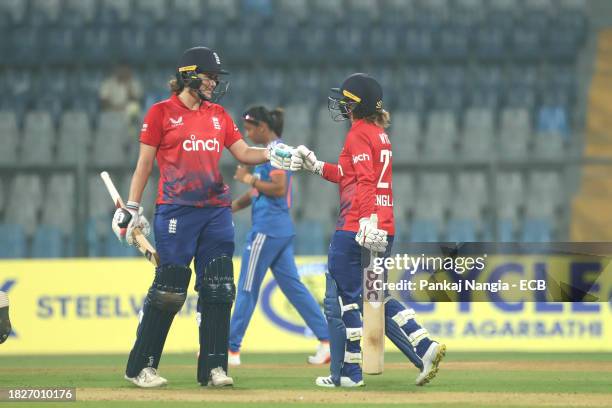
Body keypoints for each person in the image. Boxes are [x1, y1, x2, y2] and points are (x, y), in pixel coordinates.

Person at [110, 46, 290, 388]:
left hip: (216, 211)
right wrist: (132, 208)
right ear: (188, 75)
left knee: (220, 287)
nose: (213, 84)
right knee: (169, 292)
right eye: (209, 77)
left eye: (215, 78)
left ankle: (214, 369)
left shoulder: (219, 114)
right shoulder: (160, 113)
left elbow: (242, 152)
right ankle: (141, 368)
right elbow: (144, 166)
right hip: (176, 210)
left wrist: (274, 153)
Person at [275, 73, 446, 387]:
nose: (340, 104)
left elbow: (365, 180)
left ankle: (350, 374)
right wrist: (314, 165)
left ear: (356, 104)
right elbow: (347, 175)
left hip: (357, 226)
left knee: (345, 298)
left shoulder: (357, 134)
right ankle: (424, 345)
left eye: (345, 99)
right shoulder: (379, 134)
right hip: (384, 225)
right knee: (376, 295)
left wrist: (366, 221)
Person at [229, 106, 330, 366]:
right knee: (293, 288)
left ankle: (230, 349)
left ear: (263, 127)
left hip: (267, 229)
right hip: (280, 229)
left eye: (250, 128)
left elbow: (277, 188)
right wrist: (229, 208)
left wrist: (248, 178)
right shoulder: (273, 152)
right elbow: (258, 194)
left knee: (247, 287)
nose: (247, 134)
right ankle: (328, 340)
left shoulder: (277, 151)